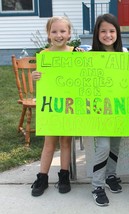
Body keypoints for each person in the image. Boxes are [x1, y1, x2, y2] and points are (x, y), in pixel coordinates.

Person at [31, 16, 83, 197]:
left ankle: (64, 176)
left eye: (62, 31)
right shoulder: (44, 55)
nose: (58, 35)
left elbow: (85, 76)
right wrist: (35, 77)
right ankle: (42, 177)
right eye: (54, 31)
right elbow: (41, 83)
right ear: (48, 34)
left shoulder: (76, 53)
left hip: (69, 105)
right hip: (51, 106)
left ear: (69, 34)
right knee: (49, 143)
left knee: (66, 142)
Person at [89, 13, 127, 207]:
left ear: (117, 33)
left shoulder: (125, 55)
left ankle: (111, 175)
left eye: (111, 31)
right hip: (98, 110)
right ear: (96, 33)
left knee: (114, 145)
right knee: (103, 146)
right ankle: (97, 185)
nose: (107, 34)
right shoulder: (89, 56)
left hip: (118, 109)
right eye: (103, 31)